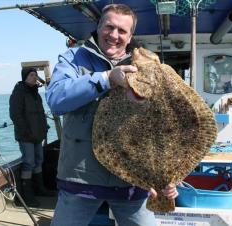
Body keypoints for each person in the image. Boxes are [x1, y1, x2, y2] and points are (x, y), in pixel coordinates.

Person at [46, 4, 178, 226]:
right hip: (82, 178)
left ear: (130, 36)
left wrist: (169, 175)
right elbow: (56, 100)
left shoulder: (145, 65)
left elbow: (163, 125)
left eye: (122, 31)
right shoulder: (74, 58)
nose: (114, 35)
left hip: (132, 181)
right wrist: (106, 79)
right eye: (109, 27)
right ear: (98, 26)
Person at [9, 67, 53, 207]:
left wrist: (44, 128)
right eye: (32, 75)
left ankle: (40, 189)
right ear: (25, 77)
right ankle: (27, 196)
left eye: (35, 75)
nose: (35, 77)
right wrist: (25, 131)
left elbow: (40, 113)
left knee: (39, 160)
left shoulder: (35, 94)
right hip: (26, 136)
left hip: (37, 135)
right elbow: (15, 115)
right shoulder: (18, 93)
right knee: (29, 163)